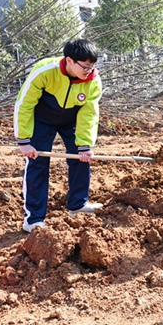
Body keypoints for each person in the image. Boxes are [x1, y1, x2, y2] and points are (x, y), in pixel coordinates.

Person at [14, 39, 103, 233]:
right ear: (69, 60)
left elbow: (89, 113)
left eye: (92, 66)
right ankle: (33, 220)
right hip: (42, 119)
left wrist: (84, 145)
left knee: (81, 158)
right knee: (37, 162)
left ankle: (78, 205)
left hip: (72, 118)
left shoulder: (93, 80)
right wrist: (24, 140)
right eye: (85, 66)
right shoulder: (45, 70)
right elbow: (25, 104)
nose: (89, 71)